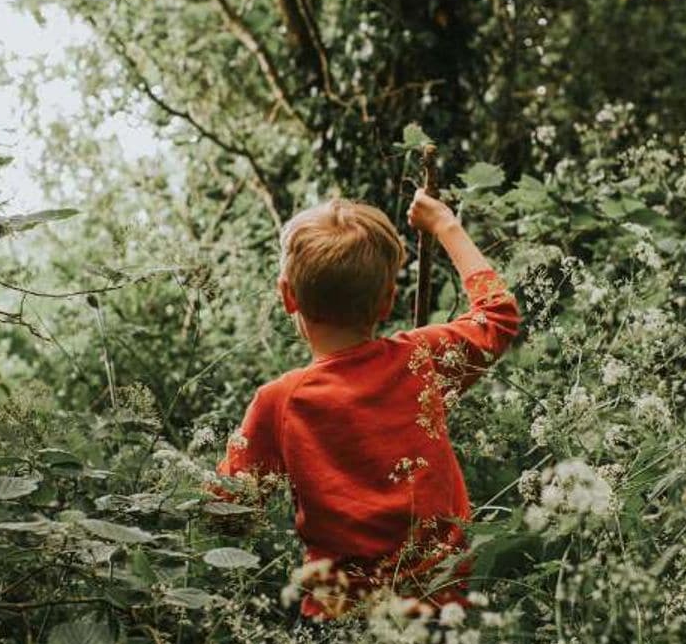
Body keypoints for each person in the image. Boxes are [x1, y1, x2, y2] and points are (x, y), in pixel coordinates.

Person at [216, 187, 521, 621]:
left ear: (288, 296)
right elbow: (498, 317)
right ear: (387, 301)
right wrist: (444, 224)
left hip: (339, 621)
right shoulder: (420, 359)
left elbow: (228, 510)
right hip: (442, 610)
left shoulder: (278, 403)